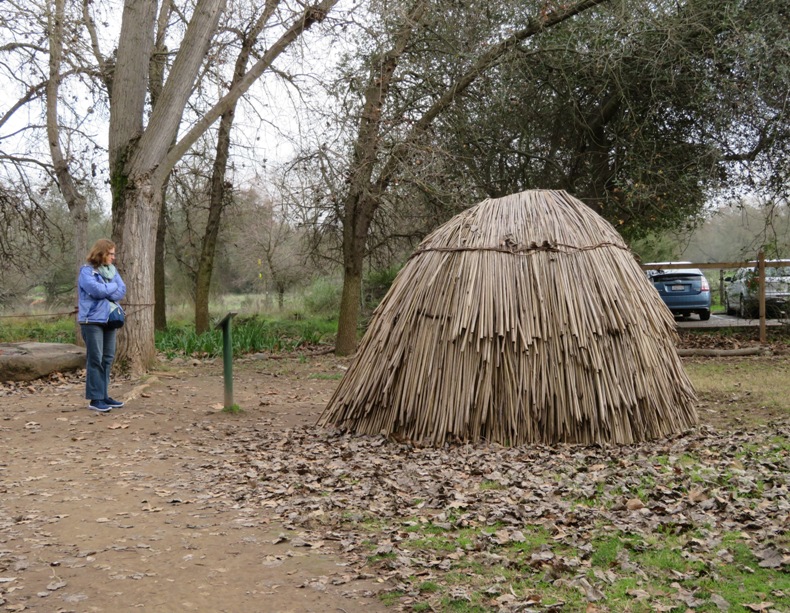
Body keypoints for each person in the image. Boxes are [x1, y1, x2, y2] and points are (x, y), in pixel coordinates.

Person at [77, 239, 127, 413]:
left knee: (107, 358)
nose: (113, 257)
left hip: (110, 319)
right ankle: (95, 398)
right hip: (92, 320)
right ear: (101, 253)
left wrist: (107, 288)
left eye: (114, 254)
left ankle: (104, 395)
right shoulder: (86, 271)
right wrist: (110, 287)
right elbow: (95, 290)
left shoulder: (113, 271)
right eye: (111, 254)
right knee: (95, 358)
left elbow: (122, 290)